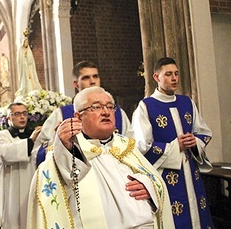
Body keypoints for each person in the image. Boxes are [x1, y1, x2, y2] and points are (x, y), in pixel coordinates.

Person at [27, 86, 174, 228]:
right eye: (96, 107)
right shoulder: (69, 150)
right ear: (78, 117)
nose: (106, 112)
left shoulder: (125, 146)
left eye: (110, 107)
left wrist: (149, 187)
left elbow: (156, 180)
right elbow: (58, 181)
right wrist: (64, 147)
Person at [131, 57, 214, 228]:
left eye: (176, 74)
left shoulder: (187, 102)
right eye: (168, 74)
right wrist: (176, 147)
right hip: (167, 176)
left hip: (191, 172)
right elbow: (141, 147)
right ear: (156, 77)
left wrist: (194, 141)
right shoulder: (146, 107)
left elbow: (204, 132)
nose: (174, 78)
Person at [35, 60, 133, 165]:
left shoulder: (117, 113)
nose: (92, 81)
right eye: (86, 78)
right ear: (76, 84)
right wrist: (58, 141)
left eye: (95, 76)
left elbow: (131, 146)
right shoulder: (61, 115)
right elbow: (39, 152)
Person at [0, 103, 42, 229]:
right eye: (17, 114)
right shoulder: (1, 136)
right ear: (9, 117)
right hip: (12, 190)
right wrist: (30, 141)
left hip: (32, 185)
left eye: (25, 113)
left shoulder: (36, 135)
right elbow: (4, 154)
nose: (22, 117)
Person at [15, 30, 42, 96]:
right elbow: (19, 61)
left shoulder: (29, 50)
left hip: (30, 68)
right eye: (25, 42)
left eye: (27, 42)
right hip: (24, 68)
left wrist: (27, 57)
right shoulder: (20, 50)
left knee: (32, 80)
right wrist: (24, 59)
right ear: (23, 43)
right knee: (26, 80)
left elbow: (31, 60)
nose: (26, 43)